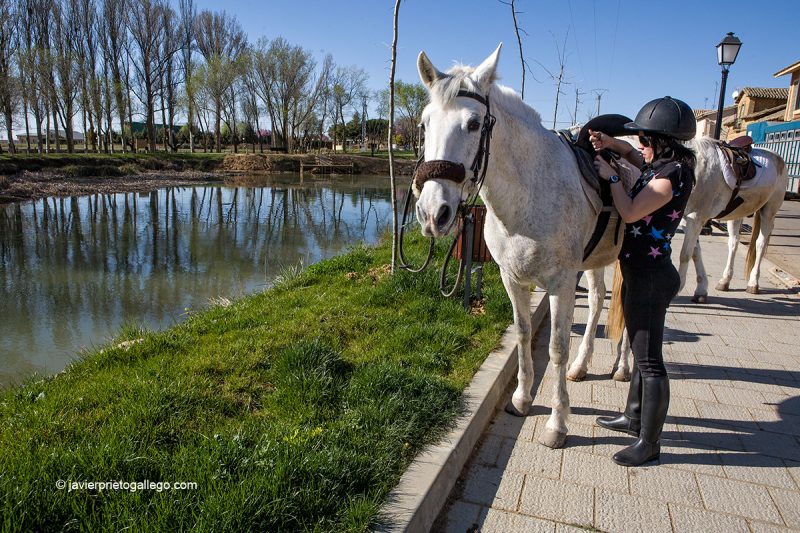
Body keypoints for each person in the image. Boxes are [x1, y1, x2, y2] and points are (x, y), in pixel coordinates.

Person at [588, 96, 697, 467]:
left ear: (664, 141)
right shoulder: (665, 165)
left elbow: (632, 211)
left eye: (646, 141)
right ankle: (633, 416)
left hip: (652, 277)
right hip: (641, 270)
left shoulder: (671, 177)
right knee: (638, 351)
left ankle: (649, 443)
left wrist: (613, 177)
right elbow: (634, 157)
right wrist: (610, 143)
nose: (641, 148)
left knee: (649, 361)